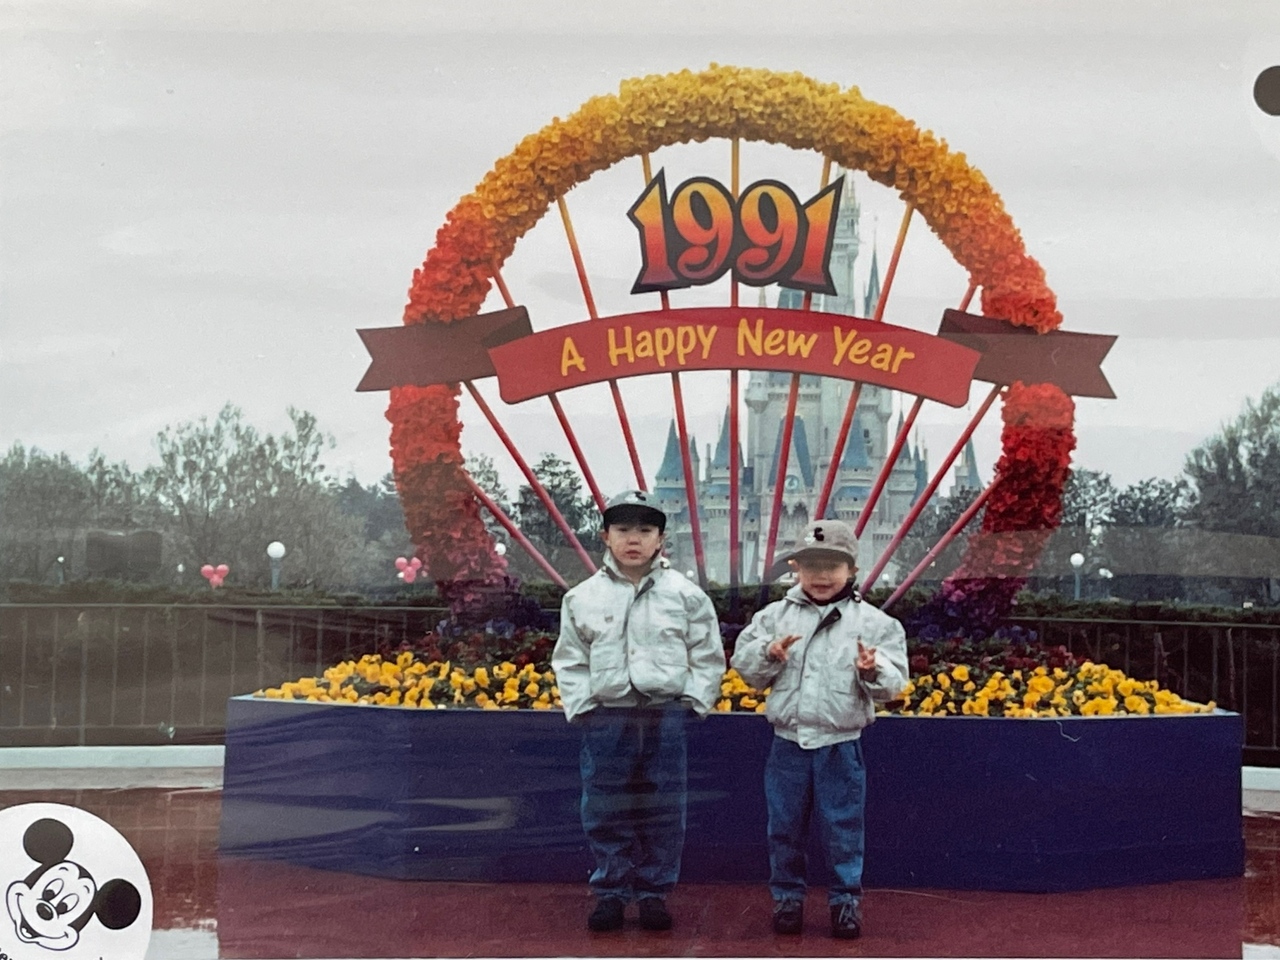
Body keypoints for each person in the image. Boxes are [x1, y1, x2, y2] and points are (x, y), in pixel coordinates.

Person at [552, 489, 725, 933]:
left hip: (664, 714)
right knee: (606, 806)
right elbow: (570, 660)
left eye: (645, 530)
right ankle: (610, 892)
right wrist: (585, 708)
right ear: (606, 537)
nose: (634, 538)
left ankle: (653, 893)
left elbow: (706, 654)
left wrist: (694, 703)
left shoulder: (685, 596)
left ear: (660, 540)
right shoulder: (582, 598)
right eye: (624, 529)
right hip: (608, 716)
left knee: (663, 806)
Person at [730, 518, 908, 940]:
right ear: (796, 569)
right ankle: (787, 899)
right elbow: (746, 668)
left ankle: (845, 902)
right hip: (788, 745)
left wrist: (873, 668)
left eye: (833, 566)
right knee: (784, 827)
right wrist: (769, 653)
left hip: (840, 746)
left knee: (843, 829)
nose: (822, 576)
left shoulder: (875, 624)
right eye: (812, 566)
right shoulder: (774, 616)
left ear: (852, 570)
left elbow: (894, 684)